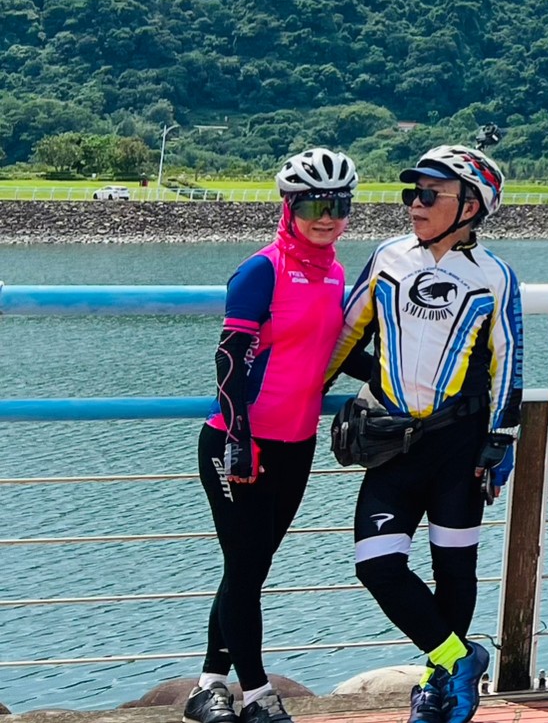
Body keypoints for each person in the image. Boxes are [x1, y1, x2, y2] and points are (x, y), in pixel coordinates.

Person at [331, 144, 521, 723]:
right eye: (411, 192)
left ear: (470, 205)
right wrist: (279, 400)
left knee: (454, 571)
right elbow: (343, 337)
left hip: (460, 446)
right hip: (393, 441)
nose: (414, 203)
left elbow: (507, 363)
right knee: (376, 565)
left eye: (429, 194)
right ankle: (459, 658)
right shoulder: (389, 257)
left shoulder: (494, 276)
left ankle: (436, 687)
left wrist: (501, 440)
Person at [185, 149, 356, 723]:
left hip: (297, 442)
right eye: (312, 204)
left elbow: (332, 349)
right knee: (245, 565)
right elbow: (230, 357)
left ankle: (208, 685)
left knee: (249, 567)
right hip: (240, 442)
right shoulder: (263, 269)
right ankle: (255, 693)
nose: (325, 216)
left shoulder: (334, 272)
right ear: (289, 207)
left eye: (337, 204)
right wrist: (240, 438)